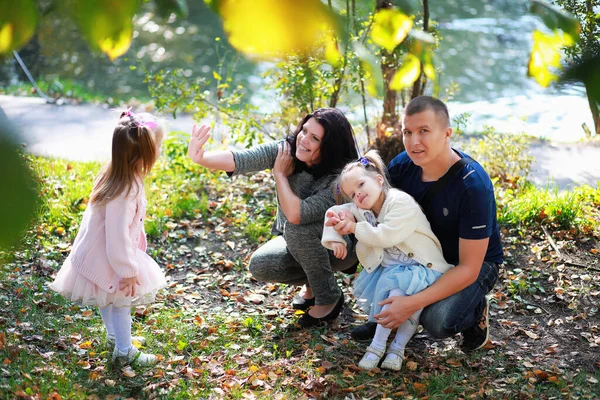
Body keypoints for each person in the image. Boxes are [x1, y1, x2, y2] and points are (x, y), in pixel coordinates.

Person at [347, 96, 503, 352]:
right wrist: (346, 216)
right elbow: (375, 208)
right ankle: (386, 319)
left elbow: (468, 268)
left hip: (468, 263)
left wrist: (410, 304)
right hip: (419, 254)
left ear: (447, 134)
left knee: (438, 321)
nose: (414, 142)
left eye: (424, 131)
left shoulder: (472, 186)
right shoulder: (401, 166)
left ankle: (475, 311)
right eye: (407, 132)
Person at [187, 108, 359, 328]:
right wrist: (201, 158)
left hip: (340, 247)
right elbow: (241, 159)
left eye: (314, 138)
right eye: (304, 130)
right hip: (300, 241)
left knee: (297, 228)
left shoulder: (340, 180)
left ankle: (328, 297)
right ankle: (313, 284)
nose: (303, 140)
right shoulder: (288, 151)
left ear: (329, 147)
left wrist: (279, 175)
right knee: (261, 265)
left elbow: (297, 215)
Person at [49, 110, 167, 366]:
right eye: (159, 146)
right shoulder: (126, 190)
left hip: (97, 253)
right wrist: (127, 270)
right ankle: (124, 351)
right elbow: (116, 236)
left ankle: (115, 336)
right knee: (121, 299)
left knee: (106, 295)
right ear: (144, 154)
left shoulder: (114, 174)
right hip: (111, 255)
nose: (160, 150)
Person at [321, 150, 454, 370]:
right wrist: (335, 238)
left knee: (404, 301)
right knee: (393, 297)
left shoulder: (400, 202)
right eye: (352, 194)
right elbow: (334, 212)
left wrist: (353, 227)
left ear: (378, 179)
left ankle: (393, 348)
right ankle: (380, 347)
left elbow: (385, 235)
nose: (358, 195)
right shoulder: (362, 208)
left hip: (423, 267)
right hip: (393, 269)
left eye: (361, 185)